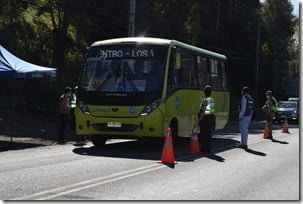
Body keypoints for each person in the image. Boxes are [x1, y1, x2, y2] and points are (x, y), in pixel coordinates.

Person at [198, 85, 216, 153]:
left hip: (205, 118)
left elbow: (202, 111)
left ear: (204, 92)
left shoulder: (204, 100)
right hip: (212, 117)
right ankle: (208, 148)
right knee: (209, 133)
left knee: (203, 134)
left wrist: (200, 119)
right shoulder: (212, 100)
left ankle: (204, 149)